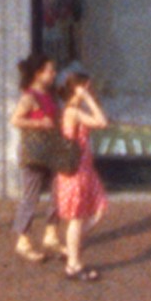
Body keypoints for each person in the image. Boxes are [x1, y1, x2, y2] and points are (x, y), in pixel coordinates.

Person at [51, 66, 113, 279]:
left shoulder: (74, 110)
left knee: (100, 209)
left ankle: (71, 247)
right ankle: (73, 265)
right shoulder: (73, 111)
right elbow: (102, 122)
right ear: (80, 89)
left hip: (85, 170)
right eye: (88, 87)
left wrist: (86, 97)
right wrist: (87, 98)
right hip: (75, 171)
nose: (91, 89)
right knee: (76, 219)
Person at [10, 52, 71, 262]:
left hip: (52, 151)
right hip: (35, 153)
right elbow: (16, 120)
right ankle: (23, 239)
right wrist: (37, 123)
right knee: (31, 196)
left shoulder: (50, 94)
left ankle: (51, 233)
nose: (54, 74)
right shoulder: (29, 97)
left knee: (58, 192)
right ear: (38, 73)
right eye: (50, 70)